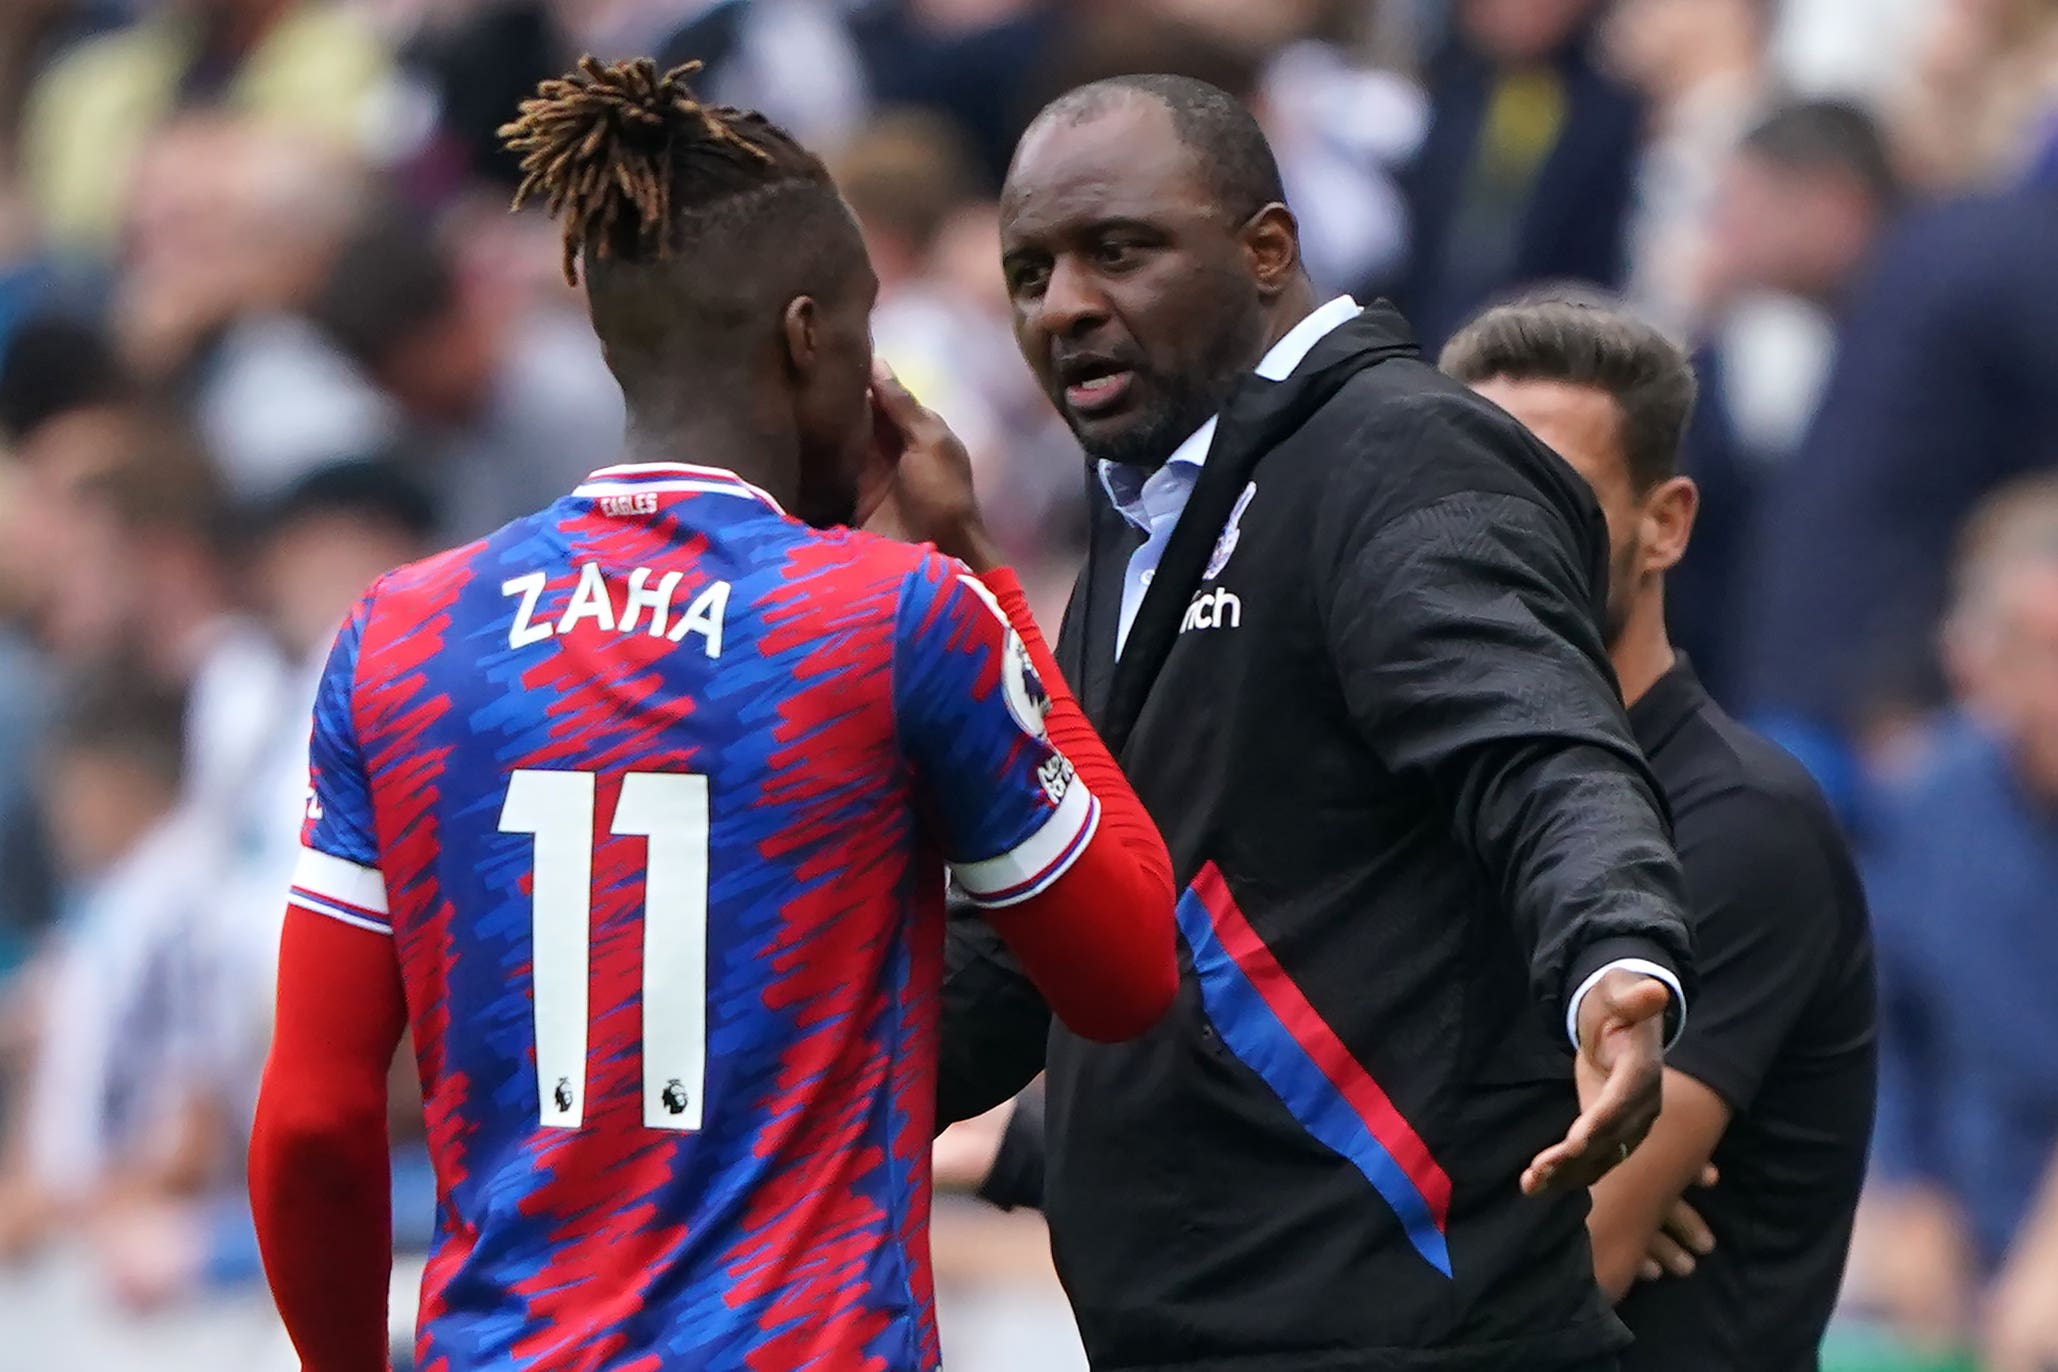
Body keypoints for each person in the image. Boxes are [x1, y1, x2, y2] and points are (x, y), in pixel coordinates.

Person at [244, 57, 1178, 1372]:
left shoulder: (402, 633)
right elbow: (1128, 973)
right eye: (866, 339)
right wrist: (981, 576)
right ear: (809, 338)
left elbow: (314, 1120)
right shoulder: (898, 621)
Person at [940, 74, 1694, 1371]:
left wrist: (1613, 955)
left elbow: (1531, 749)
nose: (1062, 305)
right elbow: (1053, 926)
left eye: (1116, 250)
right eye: (1028, 272)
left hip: (1398, 1331)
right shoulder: (1149, 508)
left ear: (1266, 251)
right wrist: (756, 1071)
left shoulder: (1393, 458)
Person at [1442, 292, 1877, 1372]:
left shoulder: (1737, 826)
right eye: (1467, 494)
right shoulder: (1427, 797)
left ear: (1666, 522)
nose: (1506, 535)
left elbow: (1563, 1268)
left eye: (1553, 496)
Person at [1858, 477, 2058, 1362]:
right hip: (1964, 1218)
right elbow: (1884, 1027)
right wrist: (1909, 1192)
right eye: (2031, 651)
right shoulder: (1932, 801)